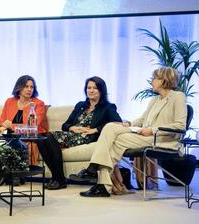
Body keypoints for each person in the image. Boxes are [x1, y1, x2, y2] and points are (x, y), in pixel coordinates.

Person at [79, 67, 187, 197]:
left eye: (154, 79)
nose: (151, 82)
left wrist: (151, 130)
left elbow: (180, 125)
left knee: (115, 141)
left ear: (163, 80)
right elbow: (142, 119)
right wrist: (127, 124)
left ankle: (99, 180)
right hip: (145, 135)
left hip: (162, 139)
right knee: (110, 126)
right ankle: (100, 181)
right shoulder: (155, 100)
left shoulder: (178, 97)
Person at [37, 76, 122, 190]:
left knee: (47, 136)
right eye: (89, 88)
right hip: (73, 135)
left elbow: (118, 123)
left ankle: (59, 179)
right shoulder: (80, 105)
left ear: (101, 90)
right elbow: (65, 125)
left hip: (88, 137)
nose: (91, 91)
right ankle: (57, 178)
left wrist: (95, 129)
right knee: (41, 138)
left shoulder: (107, 107)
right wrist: (72, 128)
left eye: (95, 88)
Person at [0, 75, 49, 165]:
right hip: (10, 136)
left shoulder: (38, 104)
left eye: (32, 87)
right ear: (19, 87)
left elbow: (31, 127)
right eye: (26, 86)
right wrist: (2, 127)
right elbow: (1, 122)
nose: (29, 89)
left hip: (29, 137)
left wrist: (11, 126)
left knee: (21, 143)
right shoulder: (10, 101)